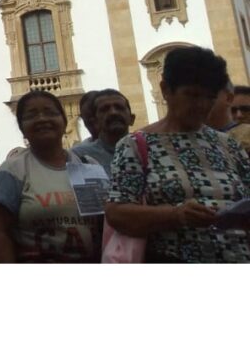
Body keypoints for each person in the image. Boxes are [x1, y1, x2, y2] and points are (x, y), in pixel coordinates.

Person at [106, 46, 250, 262]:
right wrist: (175, 215)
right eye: (192, 95)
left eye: (209, 97)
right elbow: (117, 212)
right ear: (165, 90)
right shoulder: (136, 145)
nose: (201, 104)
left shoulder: (228, 144)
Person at [0, 90, 102, 263]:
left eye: (50, 113)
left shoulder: (88, 165)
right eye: (31, 115)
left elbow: (102, 222)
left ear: (64, 122)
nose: (42, 119)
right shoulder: (12, 170)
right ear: (22, 128)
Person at [70, 89, 134, 174]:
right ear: (95, 122)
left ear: (132, 119)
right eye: (105, 109)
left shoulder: (150, 150)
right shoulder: (78, 156)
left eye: (119, 108)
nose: (113, 112)